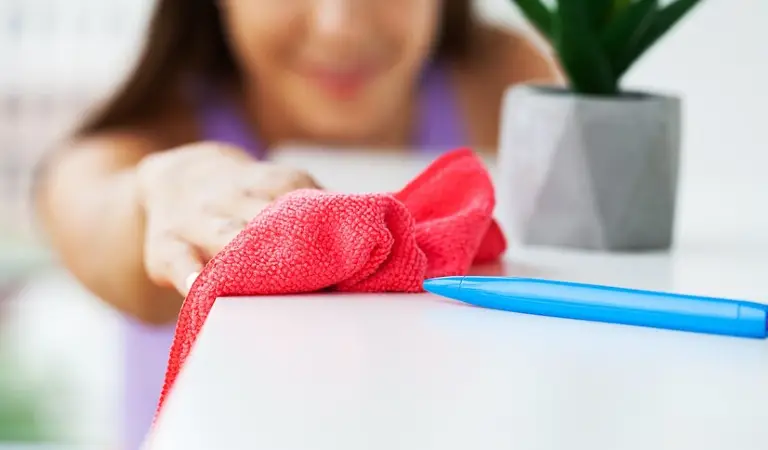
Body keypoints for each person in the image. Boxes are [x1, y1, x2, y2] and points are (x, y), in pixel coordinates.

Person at [34, 0, 560, 447]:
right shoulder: (138, 142)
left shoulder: (505, 83)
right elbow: (94, 211)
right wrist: (160, 193)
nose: (339, 26)